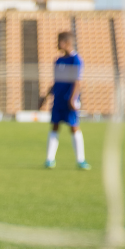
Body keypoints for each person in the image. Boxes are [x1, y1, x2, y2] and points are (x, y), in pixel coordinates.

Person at [40, 31, 90, 170]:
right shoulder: (58, 60)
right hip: (58, 100)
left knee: (74, 127)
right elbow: (56, 82)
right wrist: (45, 96)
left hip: (69, 100)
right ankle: (50, 159)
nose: (57, 44)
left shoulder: (76, 60)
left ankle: (81, 160)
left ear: (66, 42)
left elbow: (78, 82)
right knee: (55, 126)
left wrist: (73, 99)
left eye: (59, 41)